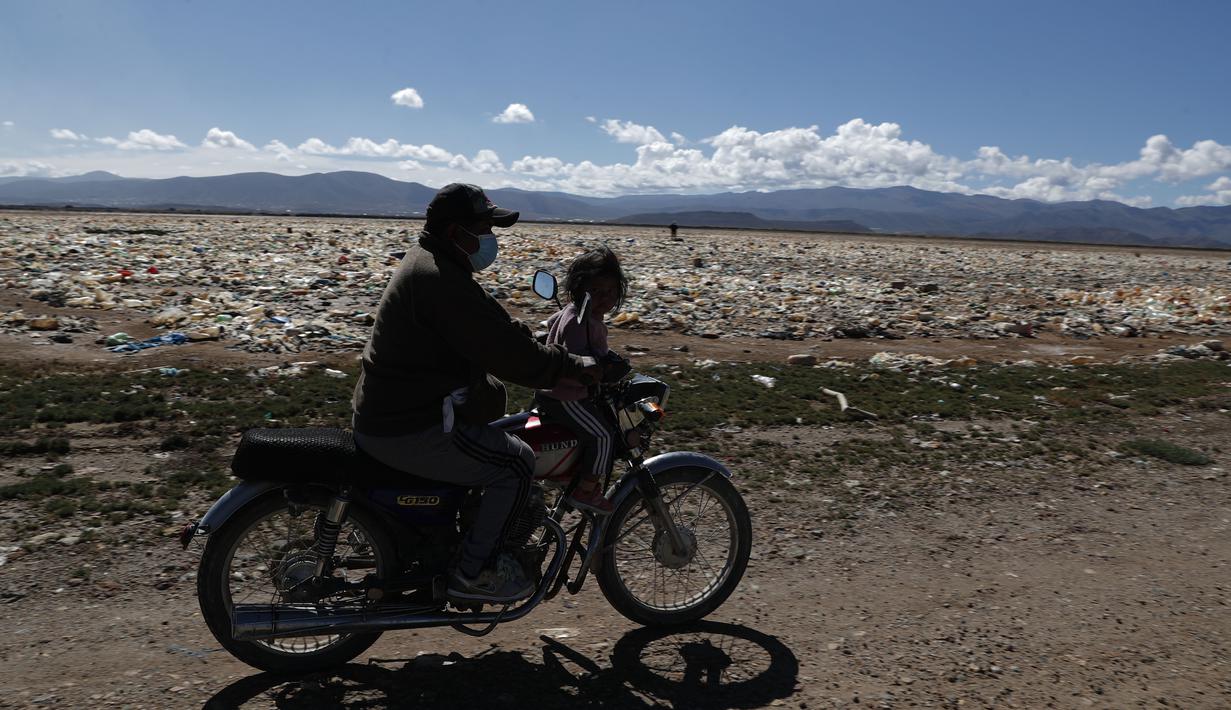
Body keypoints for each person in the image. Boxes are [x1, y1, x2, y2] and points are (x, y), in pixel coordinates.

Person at [351, 183, 601, 605]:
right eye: (485, 228)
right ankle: (473, 573)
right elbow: (507, 354)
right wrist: (575, 365)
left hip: (395, 413)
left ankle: (462, 545)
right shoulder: (439, 279)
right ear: (456, 232)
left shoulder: (436, 266)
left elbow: (493, 329)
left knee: (498, 446)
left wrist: (538, 347)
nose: (491, 239)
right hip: (412, 424)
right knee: (517, 463)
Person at [535, 246, 629, 515]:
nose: (605, 298)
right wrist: (601, 367)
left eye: (611, 292)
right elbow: (580, 359)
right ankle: (585, 490)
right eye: (596, 291)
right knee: (603, 436)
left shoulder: (575, 312)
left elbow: (551, 324)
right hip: (567, 395)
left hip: (549, 391)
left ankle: (568, 470)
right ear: (580, 289)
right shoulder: (581, 322)